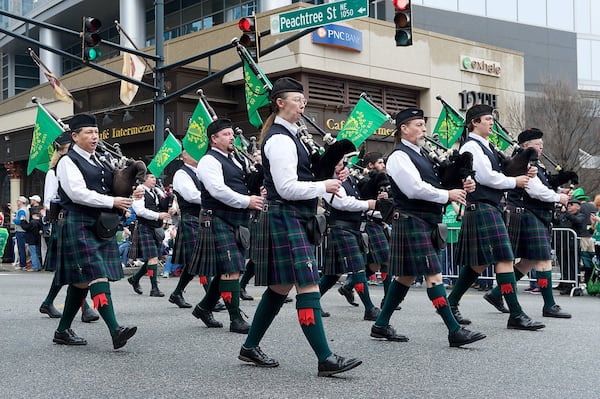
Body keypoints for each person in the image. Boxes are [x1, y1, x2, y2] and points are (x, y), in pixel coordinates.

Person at [238, 77, 362, 377]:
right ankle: (325, 358)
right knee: (307, 285)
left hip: (292, 216)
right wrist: (324, 185)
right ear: (280, 103)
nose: (302, 104)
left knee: (280, 288)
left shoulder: (295, 135)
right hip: (285, 214)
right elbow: (286, 187)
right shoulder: (280, 138)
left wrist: (330, 172)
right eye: (297, 99)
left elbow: (304, 177)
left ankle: (249, 347)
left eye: (303, 99)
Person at [369, 108, 485, 347]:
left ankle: (380, 325)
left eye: (424, 125)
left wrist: (462, 184)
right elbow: (414, 189)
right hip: (412, 219)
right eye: (419, 125)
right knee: (434, 274)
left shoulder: (422, 154)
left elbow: (437, 182)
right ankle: (454, 330)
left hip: (423, 220)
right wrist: (447, 194)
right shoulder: (399, 157)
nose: (424, 129)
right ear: (404, 128)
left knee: (406, 277)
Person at [448, 104, 544, 330]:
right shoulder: (471, 147)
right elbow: (486, 177)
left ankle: (451, 303)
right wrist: (515, 182)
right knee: (504, 259)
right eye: (487, 119)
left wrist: (522, 170)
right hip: (482, 206)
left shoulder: (486, 146)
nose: (492, 123)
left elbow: (503, 170)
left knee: (480, 263)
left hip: (488, 207)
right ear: (474, 122)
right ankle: (516, 314)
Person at [52, 113, 137, 349]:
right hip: (78, 222)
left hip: (100, 224)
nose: (94, 137)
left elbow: (111, 188)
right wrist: (112, 202)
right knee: (96, 273)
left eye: (96, 133)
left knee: (81, 281)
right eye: (88, 133)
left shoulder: (100, 160)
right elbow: (77, 193)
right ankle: (115, 330)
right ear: (75, 136)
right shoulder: (67, 162)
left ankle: (62, 330)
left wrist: (129, 195)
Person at [482, 128, 571, 318]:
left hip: (531, 214)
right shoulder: (522, 163)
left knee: (529, 261)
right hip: (527, 214)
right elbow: (534, 190)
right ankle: (549, 305)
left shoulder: (533, 164)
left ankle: (496, 294)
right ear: (525, 146)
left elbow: (542, 186)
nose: (541, 147)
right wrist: (558, 198)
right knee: (544, 258)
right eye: (537, 144)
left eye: (541, 144)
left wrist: (559, 190)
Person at [191, 118, 262, 334]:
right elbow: (217, 190)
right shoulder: (208, 161)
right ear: (213, 139)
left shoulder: (235, 160)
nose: (232, 137)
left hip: (236, 220)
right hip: (218, 218)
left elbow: (242, 184)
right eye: (226, 134)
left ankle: (204, 308)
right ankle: (235, 319)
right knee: (231, 269)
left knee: (227, 269)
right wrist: (247, 201)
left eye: (232, 134)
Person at [38, 133, 99, 322]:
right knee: (75, 267)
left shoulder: (78, 165)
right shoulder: (54, 171)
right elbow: (49, 201)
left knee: (70, 267)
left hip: (77, 219)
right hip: (63, 220)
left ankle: (49, 302)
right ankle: (84, 307)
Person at [318, 159, 380, 321]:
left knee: (333, 274)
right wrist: (368, 204)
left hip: (352, 229)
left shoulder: (350, 179)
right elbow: (343, 203)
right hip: (341, 228)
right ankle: (369, 308)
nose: (342, 167)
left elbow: (363, 190)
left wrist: (376, 182)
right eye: (338, 164)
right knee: (358, 268)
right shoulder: (327, 182)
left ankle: (311, 303)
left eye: (343, 164)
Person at [167, 150, 203, 308]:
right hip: (191, 219)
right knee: (200, 259)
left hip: (203, 219)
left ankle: (176, 293)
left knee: (195, 262)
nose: (196, 153)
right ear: (184, 156)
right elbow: (191, 195)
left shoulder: (200, 172)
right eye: (191, 150)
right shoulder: (181, 173)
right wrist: (214, 198)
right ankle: (210, 299)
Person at [127, 173, 172, 297]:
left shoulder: (156, 191)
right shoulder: (139, 191)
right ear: (144, 179)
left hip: (155, 228)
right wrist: (158, 215)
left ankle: (135, 279)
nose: (154, 180)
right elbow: (139, 211)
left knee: (153, 258)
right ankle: (154, 288)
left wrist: (170, 209)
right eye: (151, 177)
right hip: (145, 227)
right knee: (152, 257)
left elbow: (162, 205)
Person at [21, 208, 43, 272]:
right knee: (36, 253)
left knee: (33, 253)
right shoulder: (39, 222)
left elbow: (26, 227)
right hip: (37, 239)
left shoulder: (33, 222)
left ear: (34, 215)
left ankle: (35, 267)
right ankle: (38, 266)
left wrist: (23, 221)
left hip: (31, 239)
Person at [12, 196, 29, 270]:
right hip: (24, 231)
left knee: (21, 248)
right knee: (23, 248)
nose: (17, 202)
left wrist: (14, 219)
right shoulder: (25, 210)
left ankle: (22, 264)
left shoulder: (21, 211)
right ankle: (23, 263)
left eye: (18, 201)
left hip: (20, 231)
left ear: (21, 202)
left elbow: (19, 221)